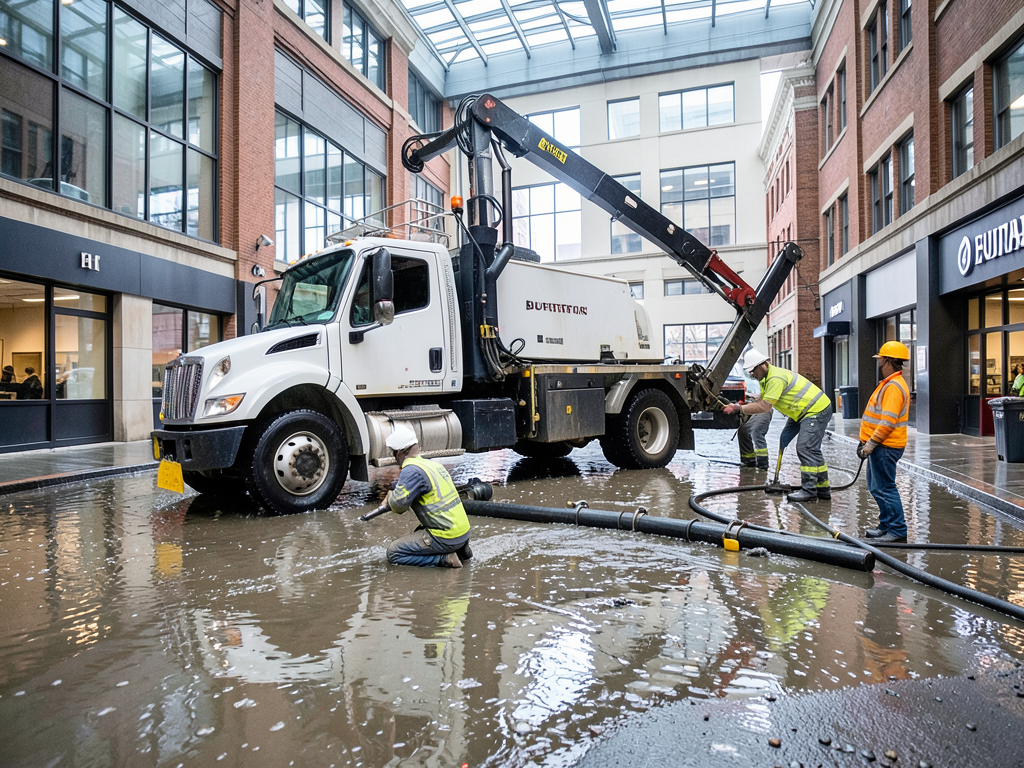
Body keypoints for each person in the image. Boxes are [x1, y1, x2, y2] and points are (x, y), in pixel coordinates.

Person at [723, 349, 833, 502]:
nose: (752, 374)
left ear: (762, 365)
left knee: (806, 448)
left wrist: (738, 408)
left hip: (815, 410)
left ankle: (809, 491)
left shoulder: (775, 378)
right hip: (800, 412)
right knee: (795, 443)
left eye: (753, 370)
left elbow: (765, 406)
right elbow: (760, 401)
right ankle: (823, 489)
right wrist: (742, 406)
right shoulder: (765, 379)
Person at [382, 425, 472, 568]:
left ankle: (443, 558)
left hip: (447, 536)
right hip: (463, 532)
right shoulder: (432, 465)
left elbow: (399, 506)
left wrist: (390, 496)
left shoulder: (411, 470)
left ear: (399, 452)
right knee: (418, 532)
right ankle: (461, 551)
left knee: (394, 552)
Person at [858, 341, 911, 543]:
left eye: (881, 359)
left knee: (885, 488)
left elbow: (887, 422)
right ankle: (886, 525)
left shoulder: (894, 387)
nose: (879, 362)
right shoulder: (889, 384)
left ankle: (897, 530)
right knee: (876, 487)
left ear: (888, 360)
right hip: (881, 446)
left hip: (885, 446)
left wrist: (870, 444)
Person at [736, 368, 771, 469]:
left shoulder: (769, 380)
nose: (753, 374)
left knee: (756, 432)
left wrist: (740, 407)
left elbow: (764, 403)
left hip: (764, 409)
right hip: (756, 406)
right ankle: (748, 460)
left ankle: (763, 464)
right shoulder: (759, 380)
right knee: (743, 430)